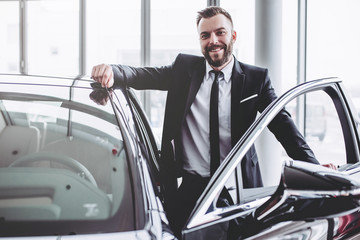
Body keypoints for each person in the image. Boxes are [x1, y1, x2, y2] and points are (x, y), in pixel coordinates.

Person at [92, 6, 335, 237]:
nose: (213, 40)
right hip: (190, 188)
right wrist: (113, 71)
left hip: (238, 188)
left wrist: (314, 168)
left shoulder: (255, 79)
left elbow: (284, 127)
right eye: (205, 35)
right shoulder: (184, 69)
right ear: (200, 41)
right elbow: (143, 75)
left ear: (233, 36)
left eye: (220, 33)